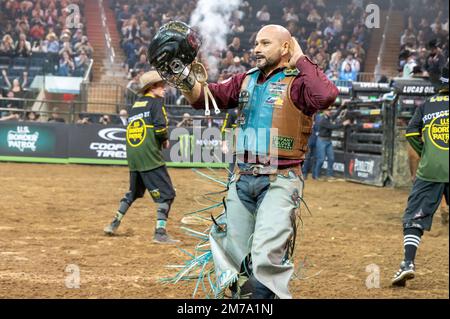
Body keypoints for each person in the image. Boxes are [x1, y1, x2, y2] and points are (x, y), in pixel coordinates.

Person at [162, 24, 339, 298]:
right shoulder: (245, 79)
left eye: (265, 43)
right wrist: (179, 73)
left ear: (285, 48)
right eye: (256, 43)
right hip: (242, 179)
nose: (256, 49)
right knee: (237, 259)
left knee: (265, 258)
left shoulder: (300, 82)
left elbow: (326, 96)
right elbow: (205, 98)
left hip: (280, 181)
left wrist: (301, 59)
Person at [104, 71, 179, 244]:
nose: (164, 89)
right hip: (149, 155)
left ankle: (114, 223)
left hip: (134, 155)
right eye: (161, 86)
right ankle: (160, 233)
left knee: (134, 192)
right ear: (152, 88)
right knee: (167, 194)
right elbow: (160, 127)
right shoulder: (156, 103)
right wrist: (164, 140)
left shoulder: (136, 105)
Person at [391, 64, 449, 287]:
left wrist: (426, 152)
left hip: (431, 169)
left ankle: (407, 263)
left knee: (413, 217)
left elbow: (412, 132)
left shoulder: (427, 105)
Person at [313, 106, 350, 180]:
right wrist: (343, 124)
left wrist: (342, 106)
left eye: (330, 110)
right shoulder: (323, 120)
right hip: (321, 141)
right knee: (321, 159)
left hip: (327, 141)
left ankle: (329, 175)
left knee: (331, 158)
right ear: (324, 111)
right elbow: (332, 127)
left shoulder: (328, 118)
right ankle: (316, 175)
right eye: (328, 110)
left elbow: (335, 115)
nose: (329, 111)